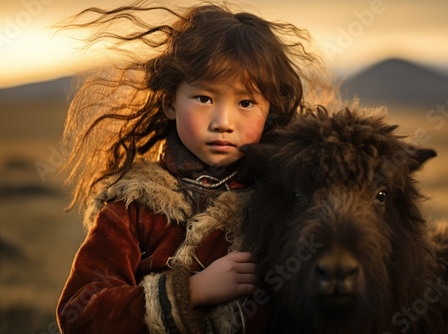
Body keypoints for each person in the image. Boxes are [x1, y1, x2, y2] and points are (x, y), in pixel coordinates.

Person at [56, 1, 335, 333]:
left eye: (246, 103)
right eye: (204, 98)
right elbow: (81, 314)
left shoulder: (282, 203)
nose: (223, 122)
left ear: (269, 111)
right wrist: (192, 290)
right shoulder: (132, 206)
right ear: (170, 102)